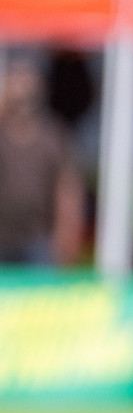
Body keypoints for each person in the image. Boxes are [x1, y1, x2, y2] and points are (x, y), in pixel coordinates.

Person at [0, 55, 84, 266]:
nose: (21, 85)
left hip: (38, 242)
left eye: (27, 77)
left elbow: (67, 189)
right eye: (15, 77)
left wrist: (66, 235)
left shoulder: (53, 135)